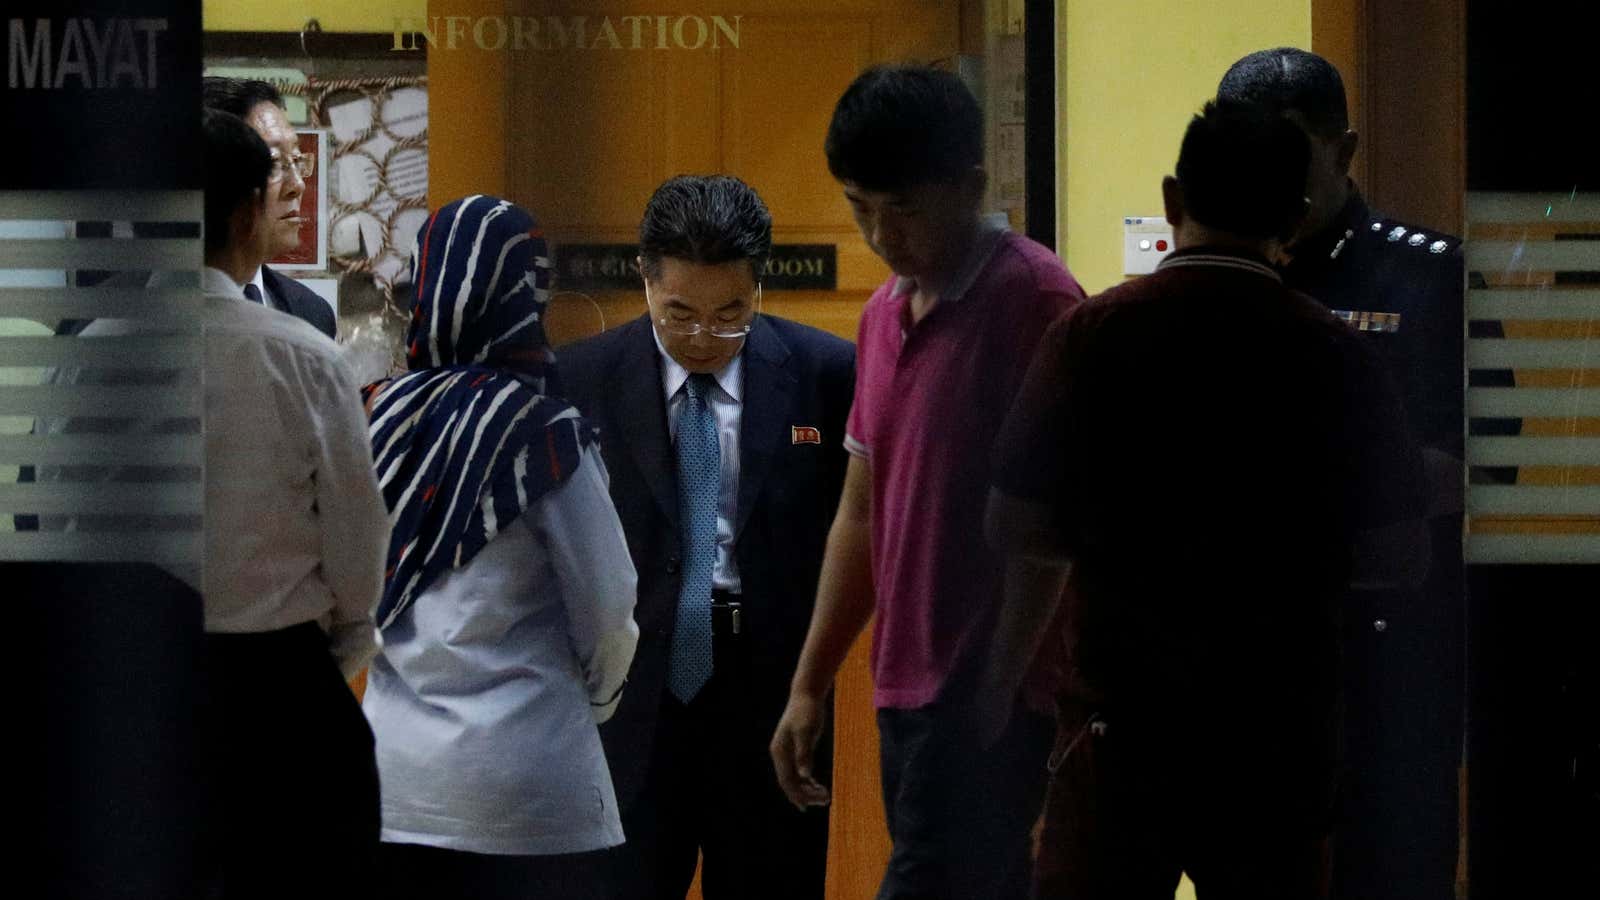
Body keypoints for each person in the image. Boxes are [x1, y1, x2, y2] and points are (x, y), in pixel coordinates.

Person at [983, 101, 1429, 900]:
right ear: (1293, 220)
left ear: (1171, 201)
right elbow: (1398, 554)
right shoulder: (1338, 355)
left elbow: (1015, 523)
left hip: (1119, 726)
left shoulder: (1091, 337)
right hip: (1277, 732)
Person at [44, 108, 391, 894]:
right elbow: (357, 539)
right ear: (246, 213)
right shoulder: (303, 356)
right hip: (279, 695)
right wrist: (338, 651)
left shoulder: (91, 351)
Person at [769, 65, 1085, 900]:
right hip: (901, 686)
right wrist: (810, 683)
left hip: (988, 687)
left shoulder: (1035, 301)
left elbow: (1056, 521)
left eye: (902, 206)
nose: (880, 233)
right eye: (858, 206)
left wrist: (1003, 680)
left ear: (970, 186)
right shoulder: (882, 315)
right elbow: (861, 511)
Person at [558, 175, 854, 900]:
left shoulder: (826, 374)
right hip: (624, 700)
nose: (703, 338)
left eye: (732, 315)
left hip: (771, 698)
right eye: (678, 313)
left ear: (759, 286)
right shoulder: (578, 379)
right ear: (645, 281)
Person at [1218, 47, 1466, 900]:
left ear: (1344, 151)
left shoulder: (1429, 276)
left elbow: (1473, 464)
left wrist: (1305, 499)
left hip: (1387, 658)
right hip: (1241, 660)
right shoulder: (1212, 285)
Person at [359, 194, 640, 899]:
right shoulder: (545, 432)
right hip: (532, 791)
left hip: (393, 786)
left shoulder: (372, 417)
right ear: (528, 294)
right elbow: (608, 610)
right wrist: (597, 702)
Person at [202, 76, 337, 338]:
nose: (297, 185)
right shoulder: (131, 318)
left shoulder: (313, 315)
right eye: (273, 163)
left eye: (297, 159)